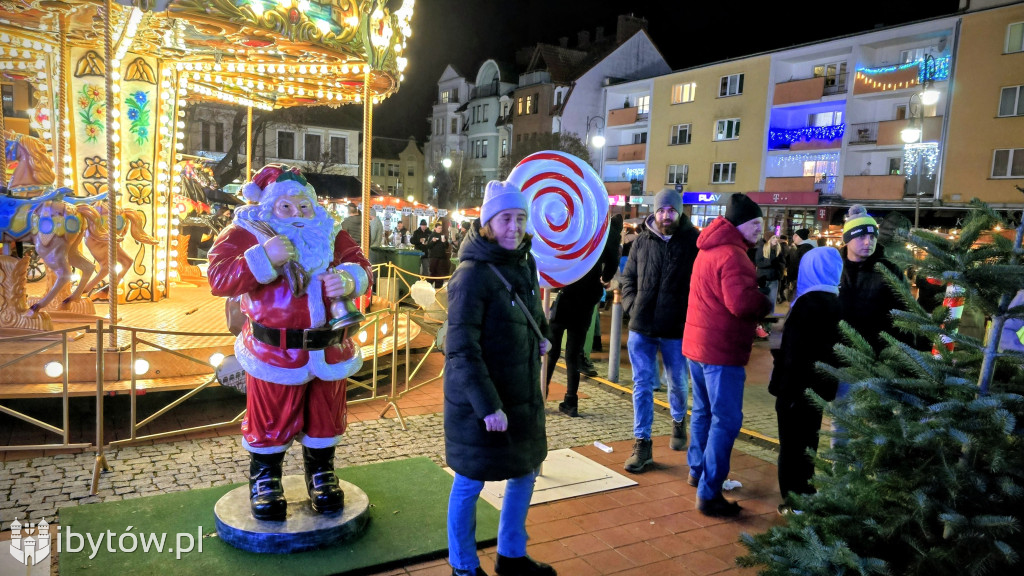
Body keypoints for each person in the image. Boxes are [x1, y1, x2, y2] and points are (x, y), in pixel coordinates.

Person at [207, 164, 372, 521]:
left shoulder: (331, 231)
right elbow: (219, 276)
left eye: (303, 207)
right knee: (270, 418)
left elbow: (360, 263)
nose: (297, 214)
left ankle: (322, 473)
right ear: (269, 207)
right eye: (287, 207)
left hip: (329, 347)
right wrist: (264, 258)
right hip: (275, 350)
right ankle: (265, 478)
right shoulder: (246, 231)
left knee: (325, 416)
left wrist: (349, 279)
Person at [443, 180, 555, 576]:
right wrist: (488, 405)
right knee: (470, 482)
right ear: (488, 222)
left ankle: (511, 556)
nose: (514, 226)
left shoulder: (526, 262)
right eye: (506, 218)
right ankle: (463, 565)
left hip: (522, 396)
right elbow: (460, 350)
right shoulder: (470, 276)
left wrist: (543, 336)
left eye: (521, 218)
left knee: (525, 472)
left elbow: (534, 314)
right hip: (480, 403)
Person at [683, 193, 772, 517]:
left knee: (704, 413)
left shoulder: (708, 249)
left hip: (698, 345)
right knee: (727, 420)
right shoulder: (734, 256)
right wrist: (764, 302)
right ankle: (709, 493)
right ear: (741, 224)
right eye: (756, 223)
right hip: (720, 352)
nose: (760, 229)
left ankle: (697, 470)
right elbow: (740, 304)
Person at [619, 188, 699, 473]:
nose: (667, 216)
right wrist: (632, 306)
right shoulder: (642, 241)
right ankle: (642, 443)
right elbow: (627, 277)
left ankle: (678, 420)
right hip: (642, 326)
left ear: (679, 212)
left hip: (676, 329)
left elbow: (699, 285)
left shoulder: (693, 242)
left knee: (677, 381)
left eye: (672, 210)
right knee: (641, 386)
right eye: (662, 210)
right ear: (655, 211)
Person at [768, 247, 843, 515]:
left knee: (791, 446)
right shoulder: (836, 301)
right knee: (809, 441)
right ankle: (807, 492)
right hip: (818, 389)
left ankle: (794, 500)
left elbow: (791, 352)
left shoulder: (806, 304)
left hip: (794, 389)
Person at [544, 214, 619, 417]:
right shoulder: (602, 234)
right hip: (587, 297)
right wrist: (605, 277)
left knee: (552, 350)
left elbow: (556, 258)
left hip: (567, 294)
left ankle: (542, 394)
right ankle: (571, 401)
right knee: (573, 353)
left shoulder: (573, 230)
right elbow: (612, 259)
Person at [838, 205, 910, 355]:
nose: (868, 242)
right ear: (847, 239)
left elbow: (905, 315)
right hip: (838, 352)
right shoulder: (834, 268)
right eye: (861, 236)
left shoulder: (889, 270)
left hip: (879, 355)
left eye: (872, 237)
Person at [754, 234, 785, 314]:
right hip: (763, 279)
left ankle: (770, 322)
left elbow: (783, 262)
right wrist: (770, 262)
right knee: (762, 302)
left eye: (776, 238)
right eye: (773, 237)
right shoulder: (761, 249)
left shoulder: (778, 249)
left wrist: (779, 267)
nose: (776, 239)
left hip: (774, 279)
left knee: (772, 302)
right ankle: (761, 323)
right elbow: (758, 263)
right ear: (769, 240)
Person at [785, 229, 814, 300]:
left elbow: (804, 265)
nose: (793, 237)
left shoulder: (806, 248)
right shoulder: (800, 248)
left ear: (801, 237)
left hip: (800, 280)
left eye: (796, 236)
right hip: (796, 279)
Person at [426, 220, 450, 288]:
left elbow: (447, 246)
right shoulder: (432, 235)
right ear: (435, 228)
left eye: (441, 228)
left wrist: (444, 242)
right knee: (432, 271)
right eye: (439, 228)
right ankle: (429, 286)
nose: (440, 229)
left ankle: (438, 287)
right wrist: (433, 241)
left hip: (442, 257)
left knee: (440, 273)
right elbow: (428, 246)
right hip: (433, 256)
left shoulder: (443, 236)